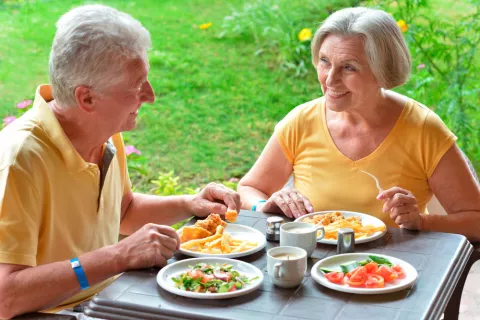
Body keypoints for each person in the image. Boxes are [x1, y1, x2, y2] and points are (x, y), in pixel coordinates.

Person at [0, 5, 240, 318]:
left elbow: (123, 211)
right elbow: (6, 297)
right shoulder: (21, 160)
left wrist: (189, 204)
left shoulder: (103, 131)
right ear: (87, 98)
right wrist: (118, 256)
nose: (151, 96)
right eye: (137, 85)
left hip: (107, 299)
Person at [238, 7, 480, 240]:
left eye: (349, 67)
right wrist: (262, 205)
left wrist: (422, 221)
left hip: (393, 272)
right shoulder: (301, 121)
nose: (330, 79)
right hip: (311, 269)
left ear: (383, 71)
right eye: (324, 61)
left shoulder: (423, 129)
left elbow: (475, 220)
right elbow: (250, 187)